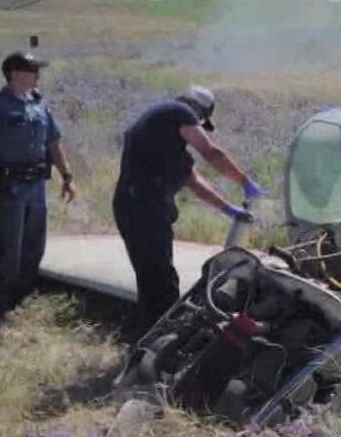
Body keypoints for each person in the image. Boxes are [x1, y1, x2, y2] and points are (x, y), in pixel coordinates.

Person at [111, 86, 261, 338]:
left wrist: (227, 208)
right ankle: (158, 342)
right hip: (142, 209)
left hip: (139, 208)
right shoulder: (177, 110)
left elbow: (193, 181)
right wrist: (244, 181)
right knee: (160, 281)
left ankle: (146, 334)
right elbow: (211, 152)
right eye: (200, 123)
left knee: (153, 276)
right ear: (198, 112)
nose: (199, 127)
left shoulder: (166, 142)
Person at [0, 50, 77, 330]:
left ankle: (22, 300)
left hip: (36, 186)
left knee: (34, 245)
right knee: (9, 248)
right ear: (15, 74)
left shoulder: (40, 106)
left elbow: (54, 143)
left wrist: (67, 175)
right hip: (9, 187)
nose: (38, 75)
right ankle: (1, 310)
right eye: (33, 70)